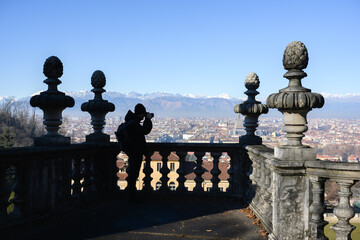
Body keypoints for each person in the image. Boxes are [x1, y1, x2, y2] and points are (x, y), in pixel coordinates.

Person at [124, 103, 153, 202]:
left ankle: (131, 195)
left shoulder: (130, 122)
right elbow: (145, 130)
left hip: (132, 151)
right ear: (140, 114)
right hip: (135, 152)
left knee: (133, 174)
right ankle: (131, 196)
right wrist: (148, 119)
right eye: (143, 114)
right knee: (133, 174)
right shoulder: (133, 124)